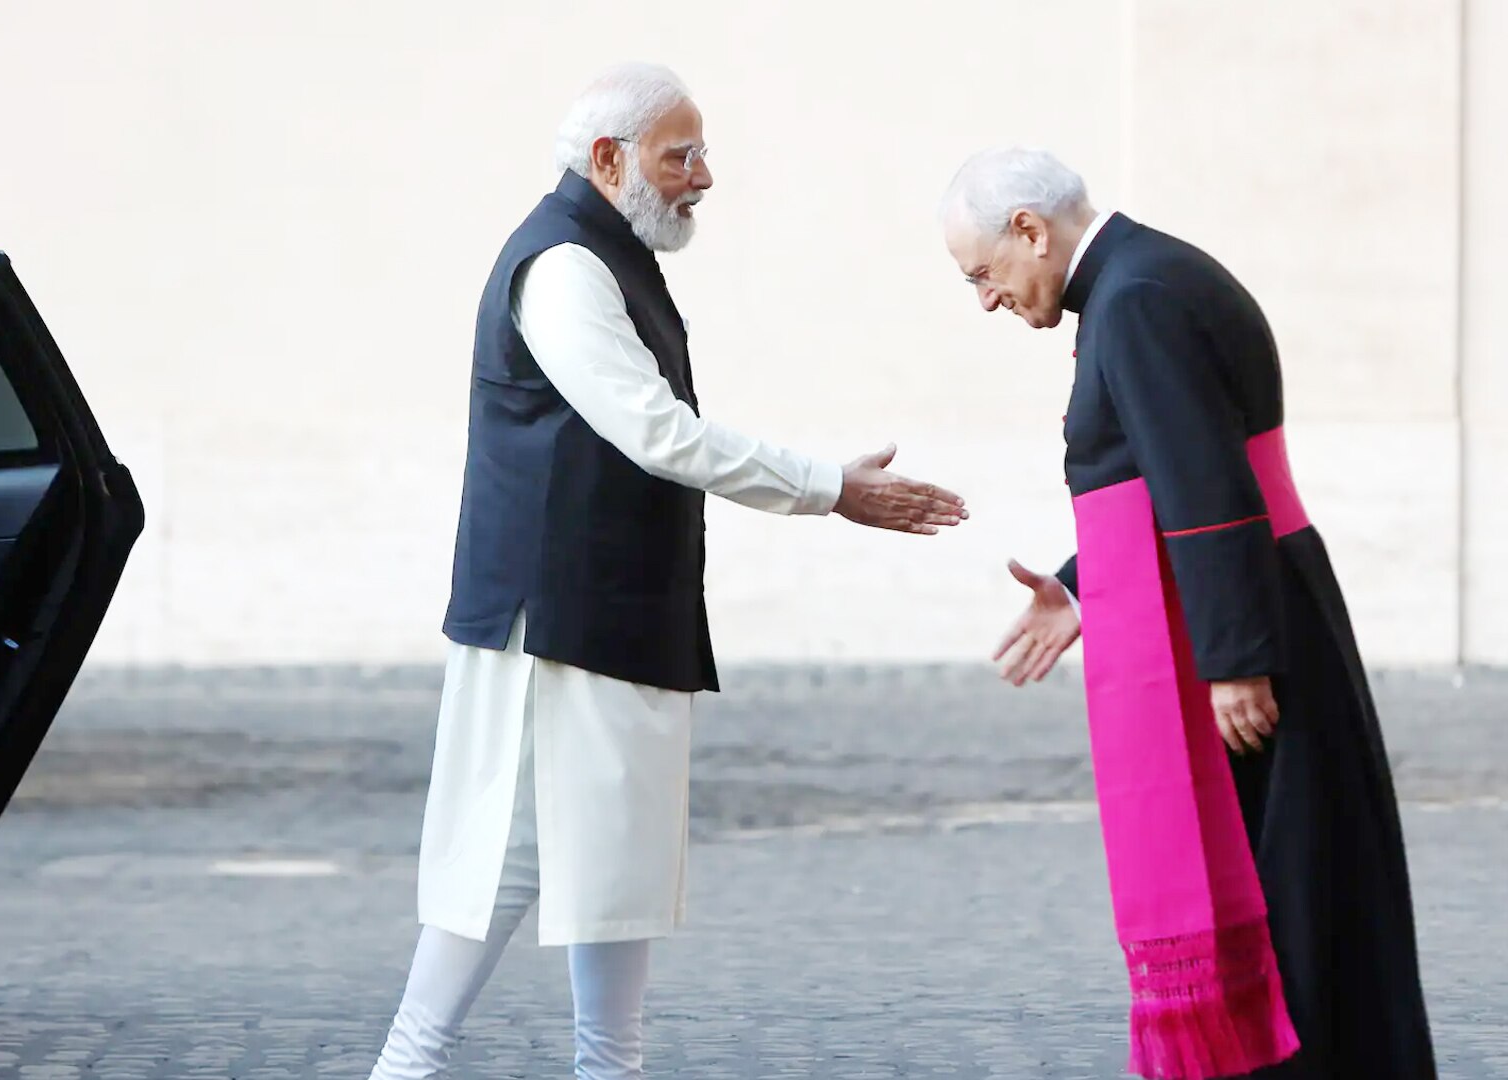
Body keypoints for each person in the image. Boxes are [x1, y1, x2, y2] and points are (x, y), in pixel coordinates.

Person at [368, 62, 968, 1080]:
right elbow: (657, 434)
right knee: (504, 866)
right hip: (555, 627)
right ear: (608, 161)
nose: (703, 176)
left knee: (614, 873)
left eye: (700, 152)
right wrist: (830, 487)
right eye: (679, 154)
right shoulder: (563, 268)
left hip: (611, 617)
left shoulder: (605, 257)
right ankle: (407, 1066)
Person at [941, 146, 1435, 1078]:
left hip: (1254, 623)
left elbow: (1207, 487)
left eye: (984, 274)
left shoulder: (1134, 303)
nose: (989, 300)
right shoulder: (1143, 279)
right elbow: (1163, 482)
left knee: (1293, 891)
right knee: (1304, 882)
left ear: (1031, 232)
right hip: (1258, 597)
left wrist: (1236, 660)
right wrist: (1083, 588)